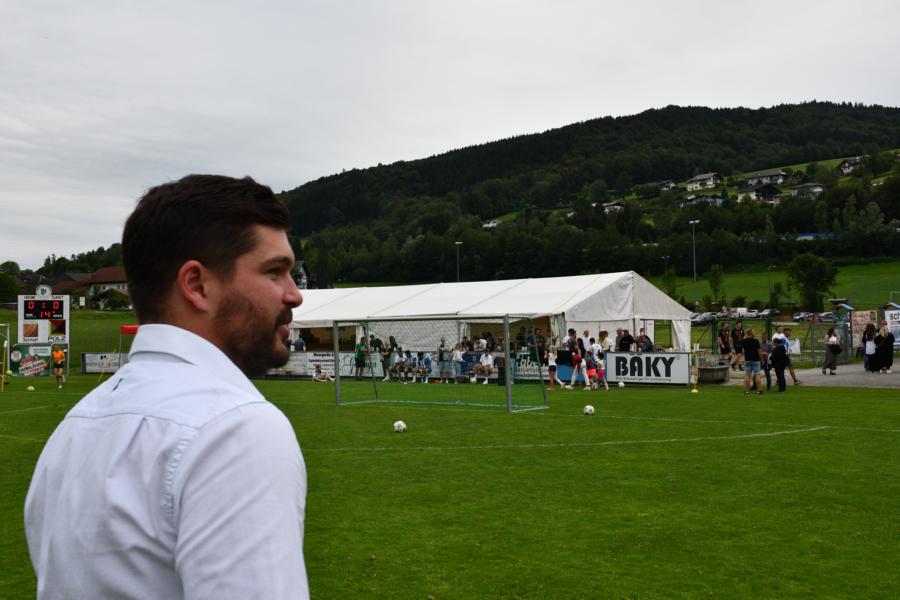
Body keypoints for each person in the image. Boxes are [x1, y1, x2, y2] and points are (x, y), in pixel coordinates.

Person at [25, 175, 309, 598]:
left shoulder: (75, 426)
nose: (295, 295)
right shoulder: (236, 429)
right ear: (196, 285)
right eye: (274, 272)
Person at [741, 328, 763, 395]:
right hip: (756, 360)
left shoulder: (744, 341)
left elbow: (743, 349)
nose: (755, 333)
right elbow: (759, 351)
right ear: (751, 333)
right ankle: (759, 390)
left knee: (747, 375)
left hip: (747, 359)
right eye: (754, 332)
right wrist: (761, 359)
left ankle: (747, 390)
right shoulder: (756, 341)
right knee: (757, 375)